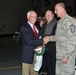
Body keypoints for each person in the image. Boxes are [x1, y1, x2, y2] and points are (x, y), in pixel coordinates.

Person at [49, 3, 76, 75]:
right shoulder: (60, 22)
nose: (55, 12)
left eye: (56, 10)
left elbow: (72, 41)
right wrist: (49, 38)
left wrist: (66, 56)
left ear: (62, 9)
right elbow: (58, 37)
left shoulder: (71, 22)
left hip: (67, 58)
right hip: (59, 56)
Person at [20, 10, 49, 75]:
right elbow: (29, 41)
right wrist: (42, 41)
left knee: (35, 73)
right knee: (26, 73)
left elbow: (39, 37)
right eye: (32, 16)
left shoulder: (36, 27)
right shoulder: (24, 28)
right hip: (27, 56)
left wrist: (41, 44)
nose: (35, 18)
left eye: (35, 17)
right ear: (28, 17)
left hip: (36, 55)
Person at [40, 10, 57, 75]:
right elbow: (42, 34)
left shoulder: (57, 23)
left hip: (53, 47)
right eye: (46, 15)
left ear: (53, 15)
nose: (47, 16)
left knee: (53, 64)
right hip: (45, 47)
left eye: (49, 15)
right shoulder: (44, 24)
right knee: (47, 63)